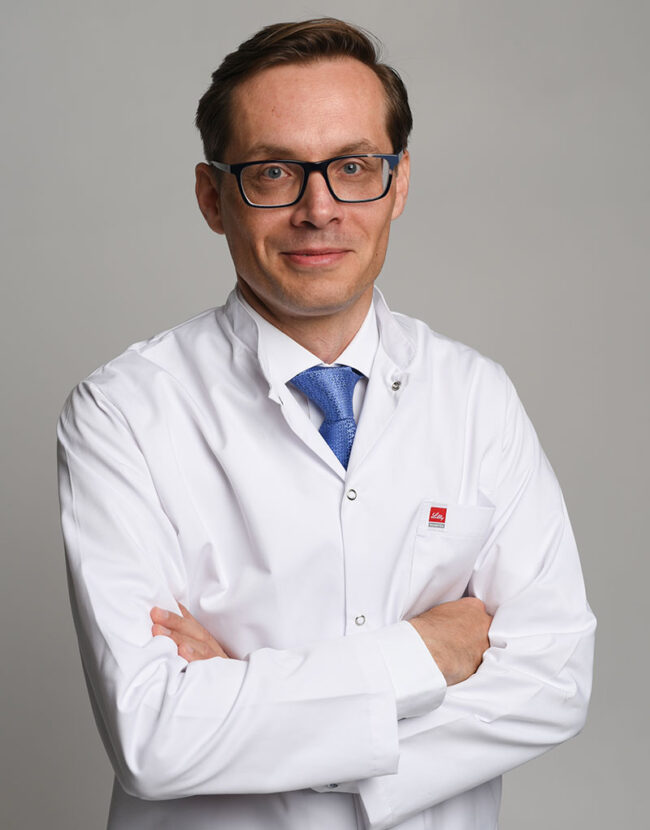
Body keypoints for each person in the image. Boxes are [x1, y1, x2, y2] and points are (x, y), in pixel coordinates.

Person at [56, 18, 596, 830]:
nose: (320, 209)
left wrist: (250, 712)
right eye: (273, 172)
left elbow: (555, 681)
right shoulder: (122, 412)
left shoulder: (476, 397)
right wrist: (425, 653)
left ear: (398, 183)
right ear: (212, 197)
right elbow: (155, 736)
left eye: (352, 168)